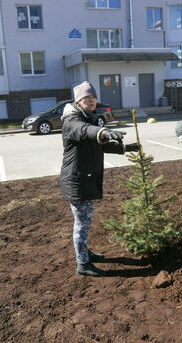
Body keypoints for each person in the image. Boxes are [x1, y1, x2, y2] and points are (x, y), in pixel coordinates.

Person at [60, 81, 140, 276]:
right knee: (82, 223)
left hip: (83, 178)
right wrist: (103, 131)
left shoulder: (87, 118)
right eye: (88, 97)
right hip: (77, 181)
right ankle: (83, 264)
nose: (92, 101)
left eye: (94, 97)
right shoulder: (72, 120)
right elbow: (83, 131)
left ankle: (84, 253)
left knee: (85, 222)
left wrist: (124, 148)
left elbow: (98, 145)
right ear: (79, 100)